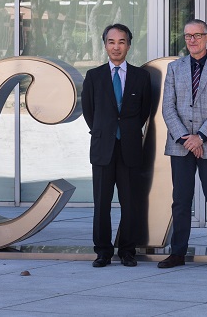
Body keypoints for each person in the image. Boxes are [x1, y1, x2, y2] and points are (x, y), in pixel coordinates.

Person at [158, 19, 207, 271]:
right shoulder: (174, 68)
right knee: (180, 200)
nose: (192, 40)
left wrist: (200, 137)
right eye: (188, 36)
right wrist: (187, 139)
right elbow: (168, 107)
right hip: (180, 145)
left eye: (197, 35)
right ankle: (177, 252)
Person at [81, 23, 152, 268]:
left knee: (130, 203)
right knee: (101, 204)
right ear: (105, 45)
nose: (116, 47)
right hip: (103, 149)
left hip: (130, 148)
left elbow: (144, 111)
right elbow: (89, 112)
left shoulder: (141, 77)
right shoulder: (94, 76)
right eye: (111, 42)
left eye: (121, 42)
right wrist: (106, 132)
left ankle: (127, 250)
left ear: (129, 45)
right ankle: (102, 251)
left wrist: (126, 132)